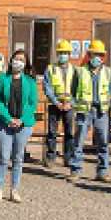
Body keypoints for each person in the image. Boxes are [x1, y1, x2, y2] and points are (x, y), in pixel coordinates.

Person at [0, 50, 38, 202]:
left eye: (21, 60)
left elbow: (32, 104)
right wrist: (8, 118)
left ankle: (14, 190)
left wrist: (21, 120)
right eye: (16, 59)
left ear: (25, 64)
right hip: (4, 124)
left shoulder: (30, 82)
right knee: (4, 157)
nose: (18, 62)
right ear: (11, 60)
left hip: (23, 126)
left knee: (18, 158)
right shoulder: (2, 78)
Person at [69, 39, 111, 183]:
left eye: (100, 55)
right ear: (89, 54)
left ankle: (102, 172)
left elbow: (110, 90)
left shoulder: (107, 72)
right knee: (79, 142)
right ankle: (75, 171)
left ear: (103, 56)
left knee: (103, 142)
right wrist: (76, 105)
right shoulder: (80, 71)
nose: (97, 58)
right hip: (84, 111)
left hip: (101, 111)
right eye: (95, 54)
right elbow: (73, 90)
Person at [43, 39, 77, 169]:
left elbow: (78, 89)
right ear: (57, 54)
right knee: (52, 132)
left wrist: (71, 103)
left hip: (69, 106)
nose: (63, 55)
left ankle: (68, 158)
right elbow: (47, 88)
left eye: (66, 52)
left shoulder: (75, 70)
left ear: (69, 54)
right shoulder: (51, 69)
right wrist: (56, 102)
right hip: (54, 105)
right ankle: (50, 158)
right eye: (61, 52)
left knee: (69, 133)